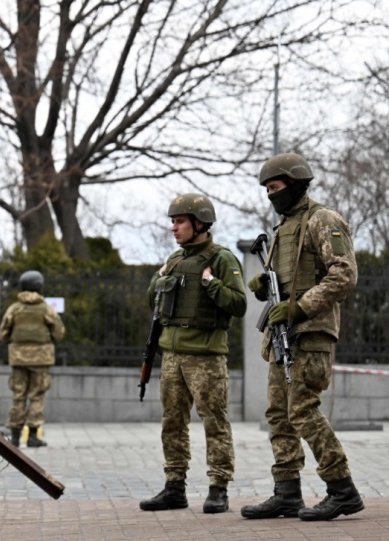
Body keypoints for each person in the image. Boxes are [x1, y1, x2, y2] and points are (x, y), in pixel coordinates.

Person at [240, 152, 364, 522]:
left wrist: (300, 307)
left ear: (294, 184)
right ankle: (287, 493)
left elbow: (344, 274)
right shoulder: (282, 229)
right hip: (283, 335)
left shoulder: (322, 220)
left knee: (302, 411)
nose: (270, 196)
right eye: (266, 190)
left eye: (275, 188)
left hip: (310, 334)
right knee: (279, 416)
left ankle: (342, 489)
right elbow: (285, 284)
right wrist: (265, 287)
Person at [140, 194, 246, 514]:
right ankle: (174, 487)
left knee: (214, 421)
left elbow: (239, 304)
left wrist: (212, 285)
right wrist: (158, 278)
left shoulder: (222, 259)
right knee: (172, 422)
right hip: (172, 354)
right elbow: (153, 304)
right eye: (173, 221)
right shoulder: (173, 260)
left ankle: (218, 488)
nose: (174, 227)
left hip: (206, 356)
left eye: (180, 221)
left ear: (199, 224)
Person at [0, 270, 65, 448]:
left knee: (18, 396)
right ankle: (33, 437)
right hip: (41, 360)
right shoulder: (46, 309)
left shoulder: (14, 309)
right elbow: (59, 333)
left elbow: (3, 335)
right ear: (39, 286)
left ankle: (14, 437)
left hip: (19, 359)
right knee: (36, 397)